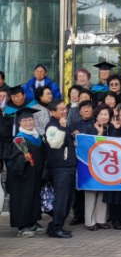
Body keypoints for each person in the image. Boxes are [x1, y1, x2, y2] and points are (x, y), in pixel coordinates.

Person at [7, 107, 46, 238]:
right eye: (25, 121)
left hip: (34, 174)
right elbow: (13, 159)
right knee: (23, 199)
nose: (28, 123)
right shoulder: (19, 139)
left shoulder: (37, 137)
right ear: (19, 123)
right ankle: (22, 227)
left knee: (33, 198)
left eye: (30, 120)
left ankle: (32, 222)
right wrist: (23, 159)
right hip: (21, 177)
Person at [44, 100, 76, 239]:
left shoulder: (62, 123)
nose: (65, 111)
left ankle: (56, 226)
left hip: (68, 167)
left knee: (67, 200)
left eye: (65, 108)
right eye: (61, 109)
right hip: (60, 168)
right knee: (62, 200)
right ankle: (56, 228)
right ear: (52, 112)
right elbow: (55, 144)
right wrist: (62, 128)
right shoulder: (52, 126)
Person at [84, 105, 117, 231]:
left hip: (107, 165)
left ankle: (101, 220)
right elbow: (89, 146)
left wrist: (116, 129)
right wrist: (99, 134)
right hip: (92, 164)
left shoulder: (112, 127)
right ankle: (90, 221)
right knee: (91, 192)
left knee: (103, 192)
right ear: (96, 116)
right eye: (101, 114)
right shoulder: (90, 128)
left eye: (106, 114)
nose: (103, 117)